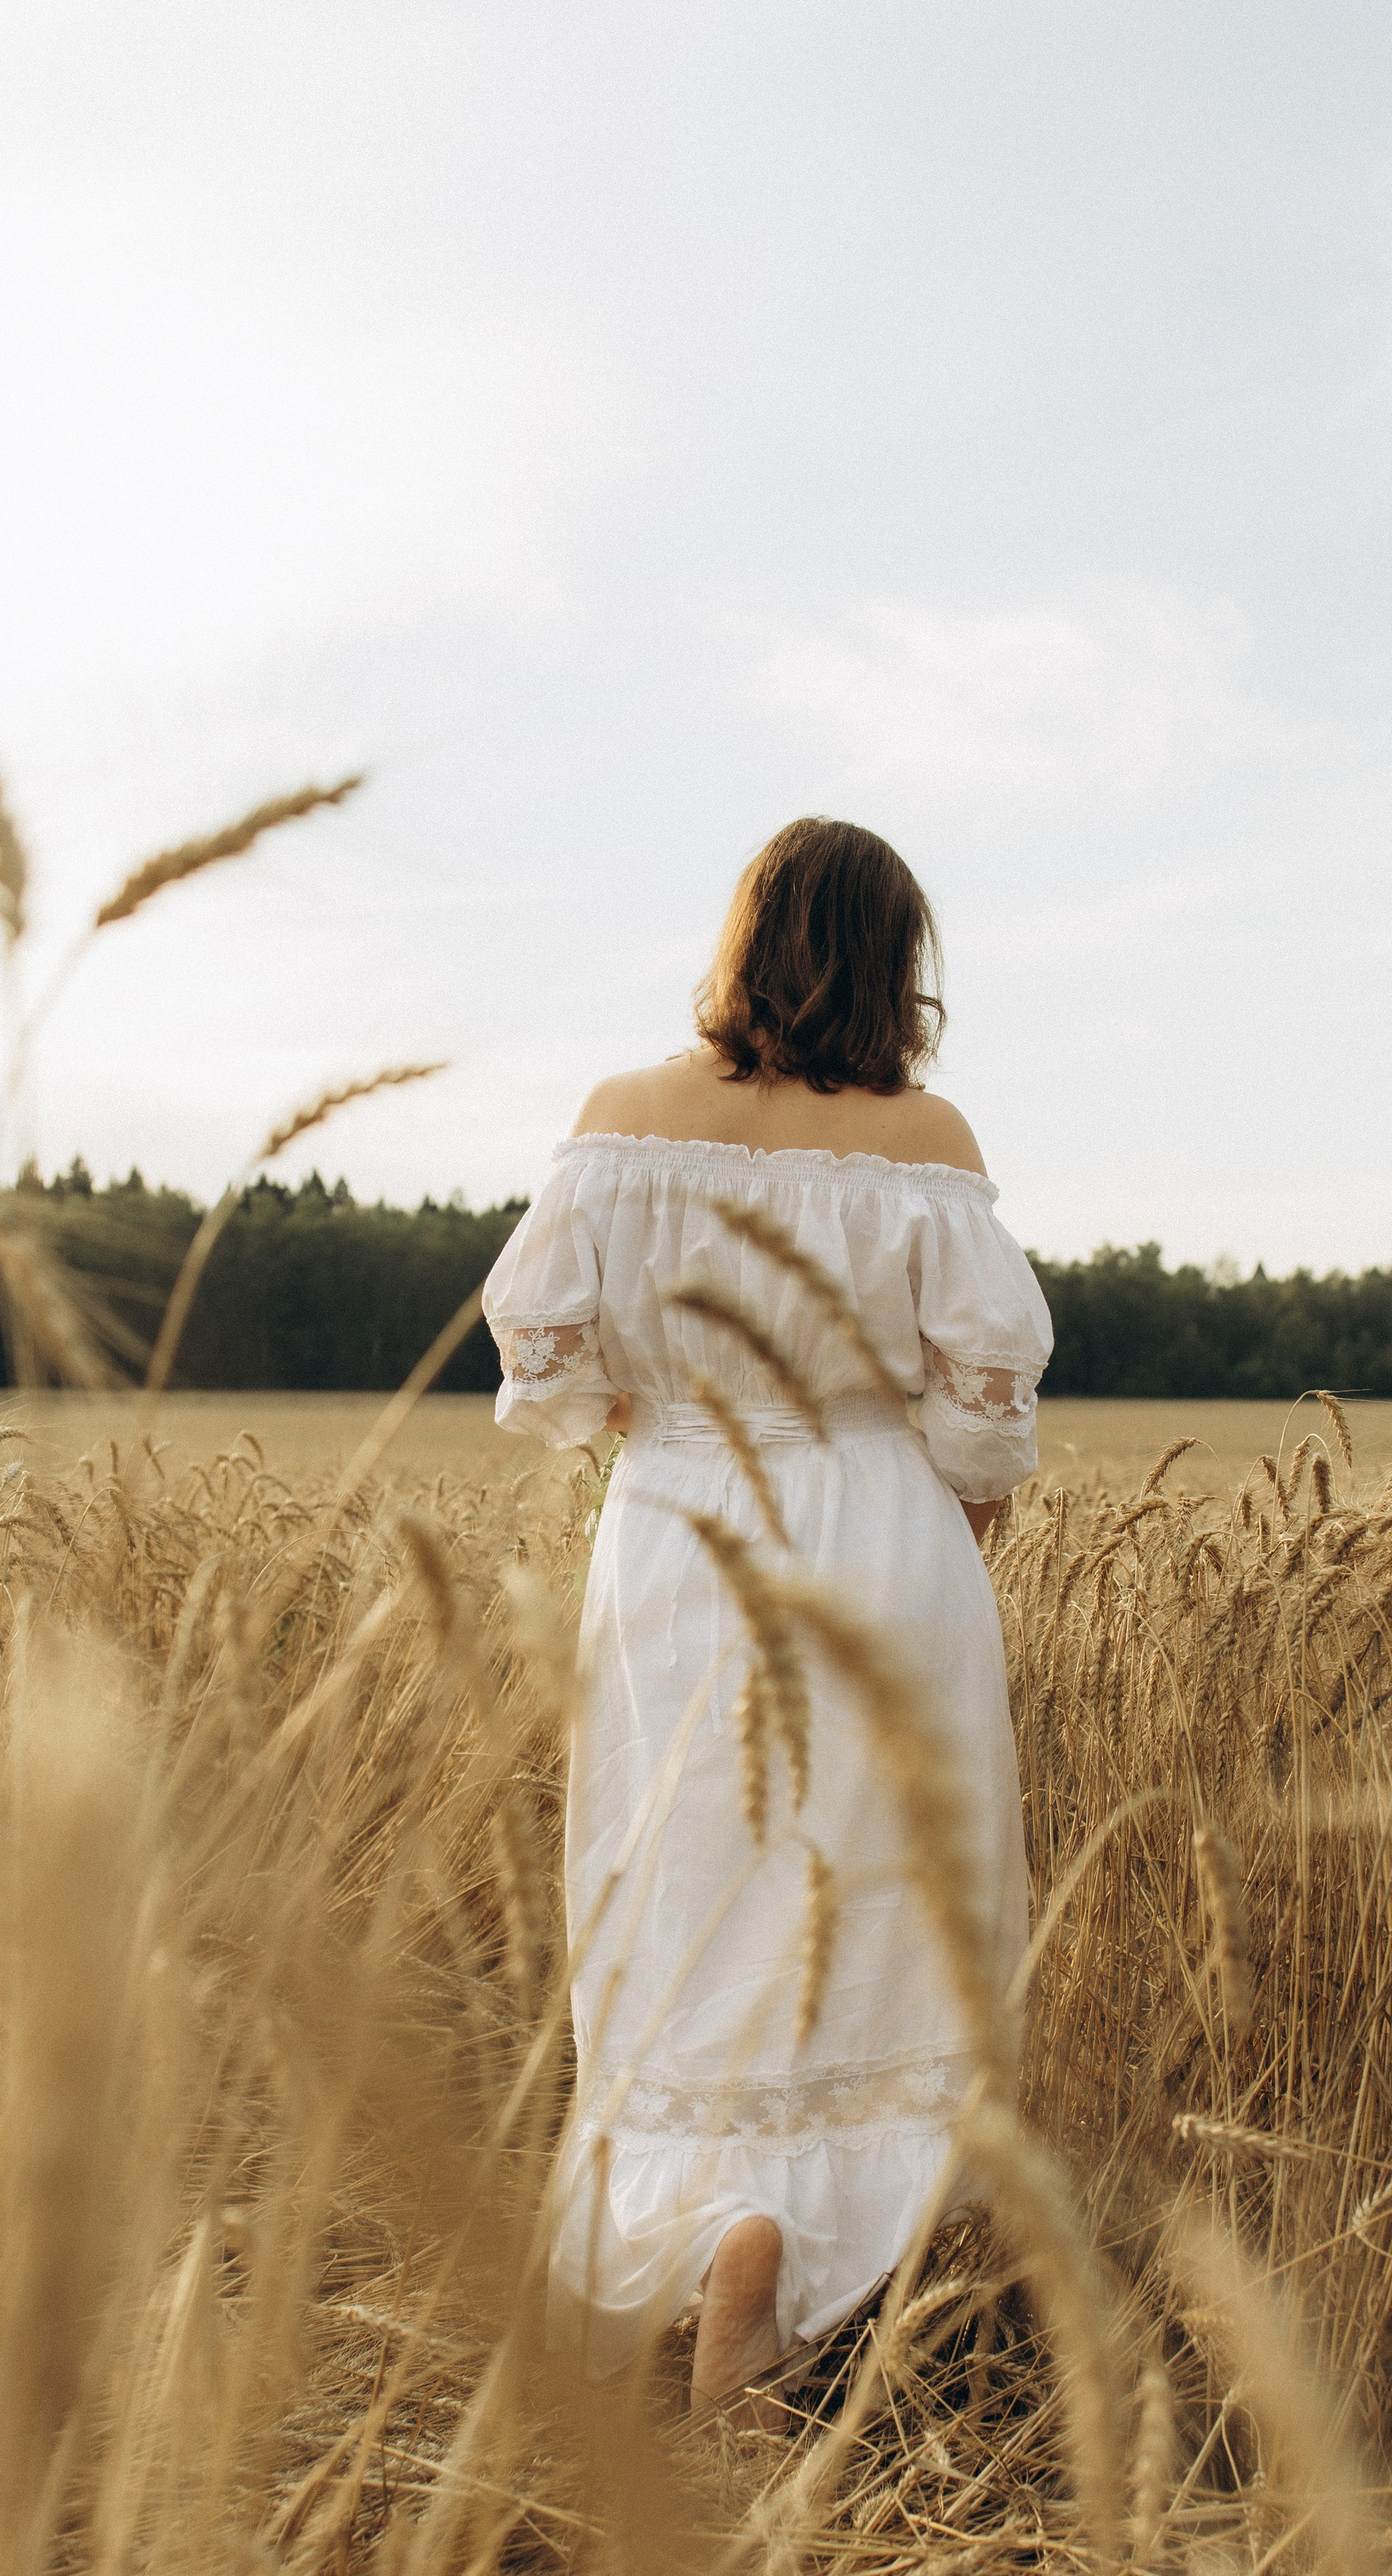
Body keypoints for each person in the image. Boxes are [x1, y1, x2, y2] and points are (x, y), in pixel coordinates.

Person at [482, 816, 1053, 2416]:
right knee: (861, 1900)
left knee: (682, 1886)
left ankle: (708, 2211)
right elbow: (983, 1406)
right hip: (881, 1539)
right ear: (896, 963)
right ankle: (796, 2264)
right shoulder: (927, 1142)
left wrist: (667, 1433)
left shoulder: (619, 1121)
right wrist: (937, 1513)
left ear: (741, 941)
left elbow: (543, 1354)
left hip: (677, 1531)